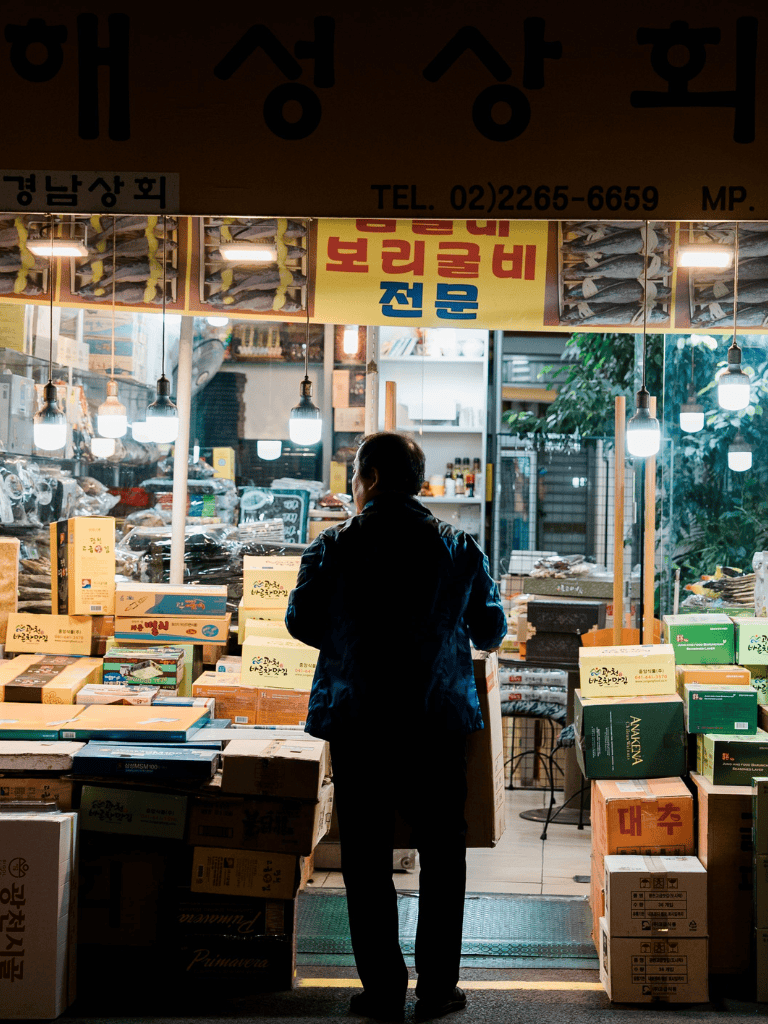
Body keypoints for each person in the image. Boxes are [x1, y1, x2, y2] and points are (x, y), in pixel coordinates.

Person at [286, 432, 507, 1022]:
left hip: (359, 719)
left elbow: (300, 622)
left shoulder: (331, 546)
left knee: (364, 855)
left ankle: (382, 988)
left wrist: (351, 640)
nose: (353, 488)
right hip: (438, 721)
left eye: (356, 476)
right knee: (443, 853)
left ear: (373, 478)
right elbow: (490, 631)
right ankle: (438, 989)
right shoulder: (459, 546)